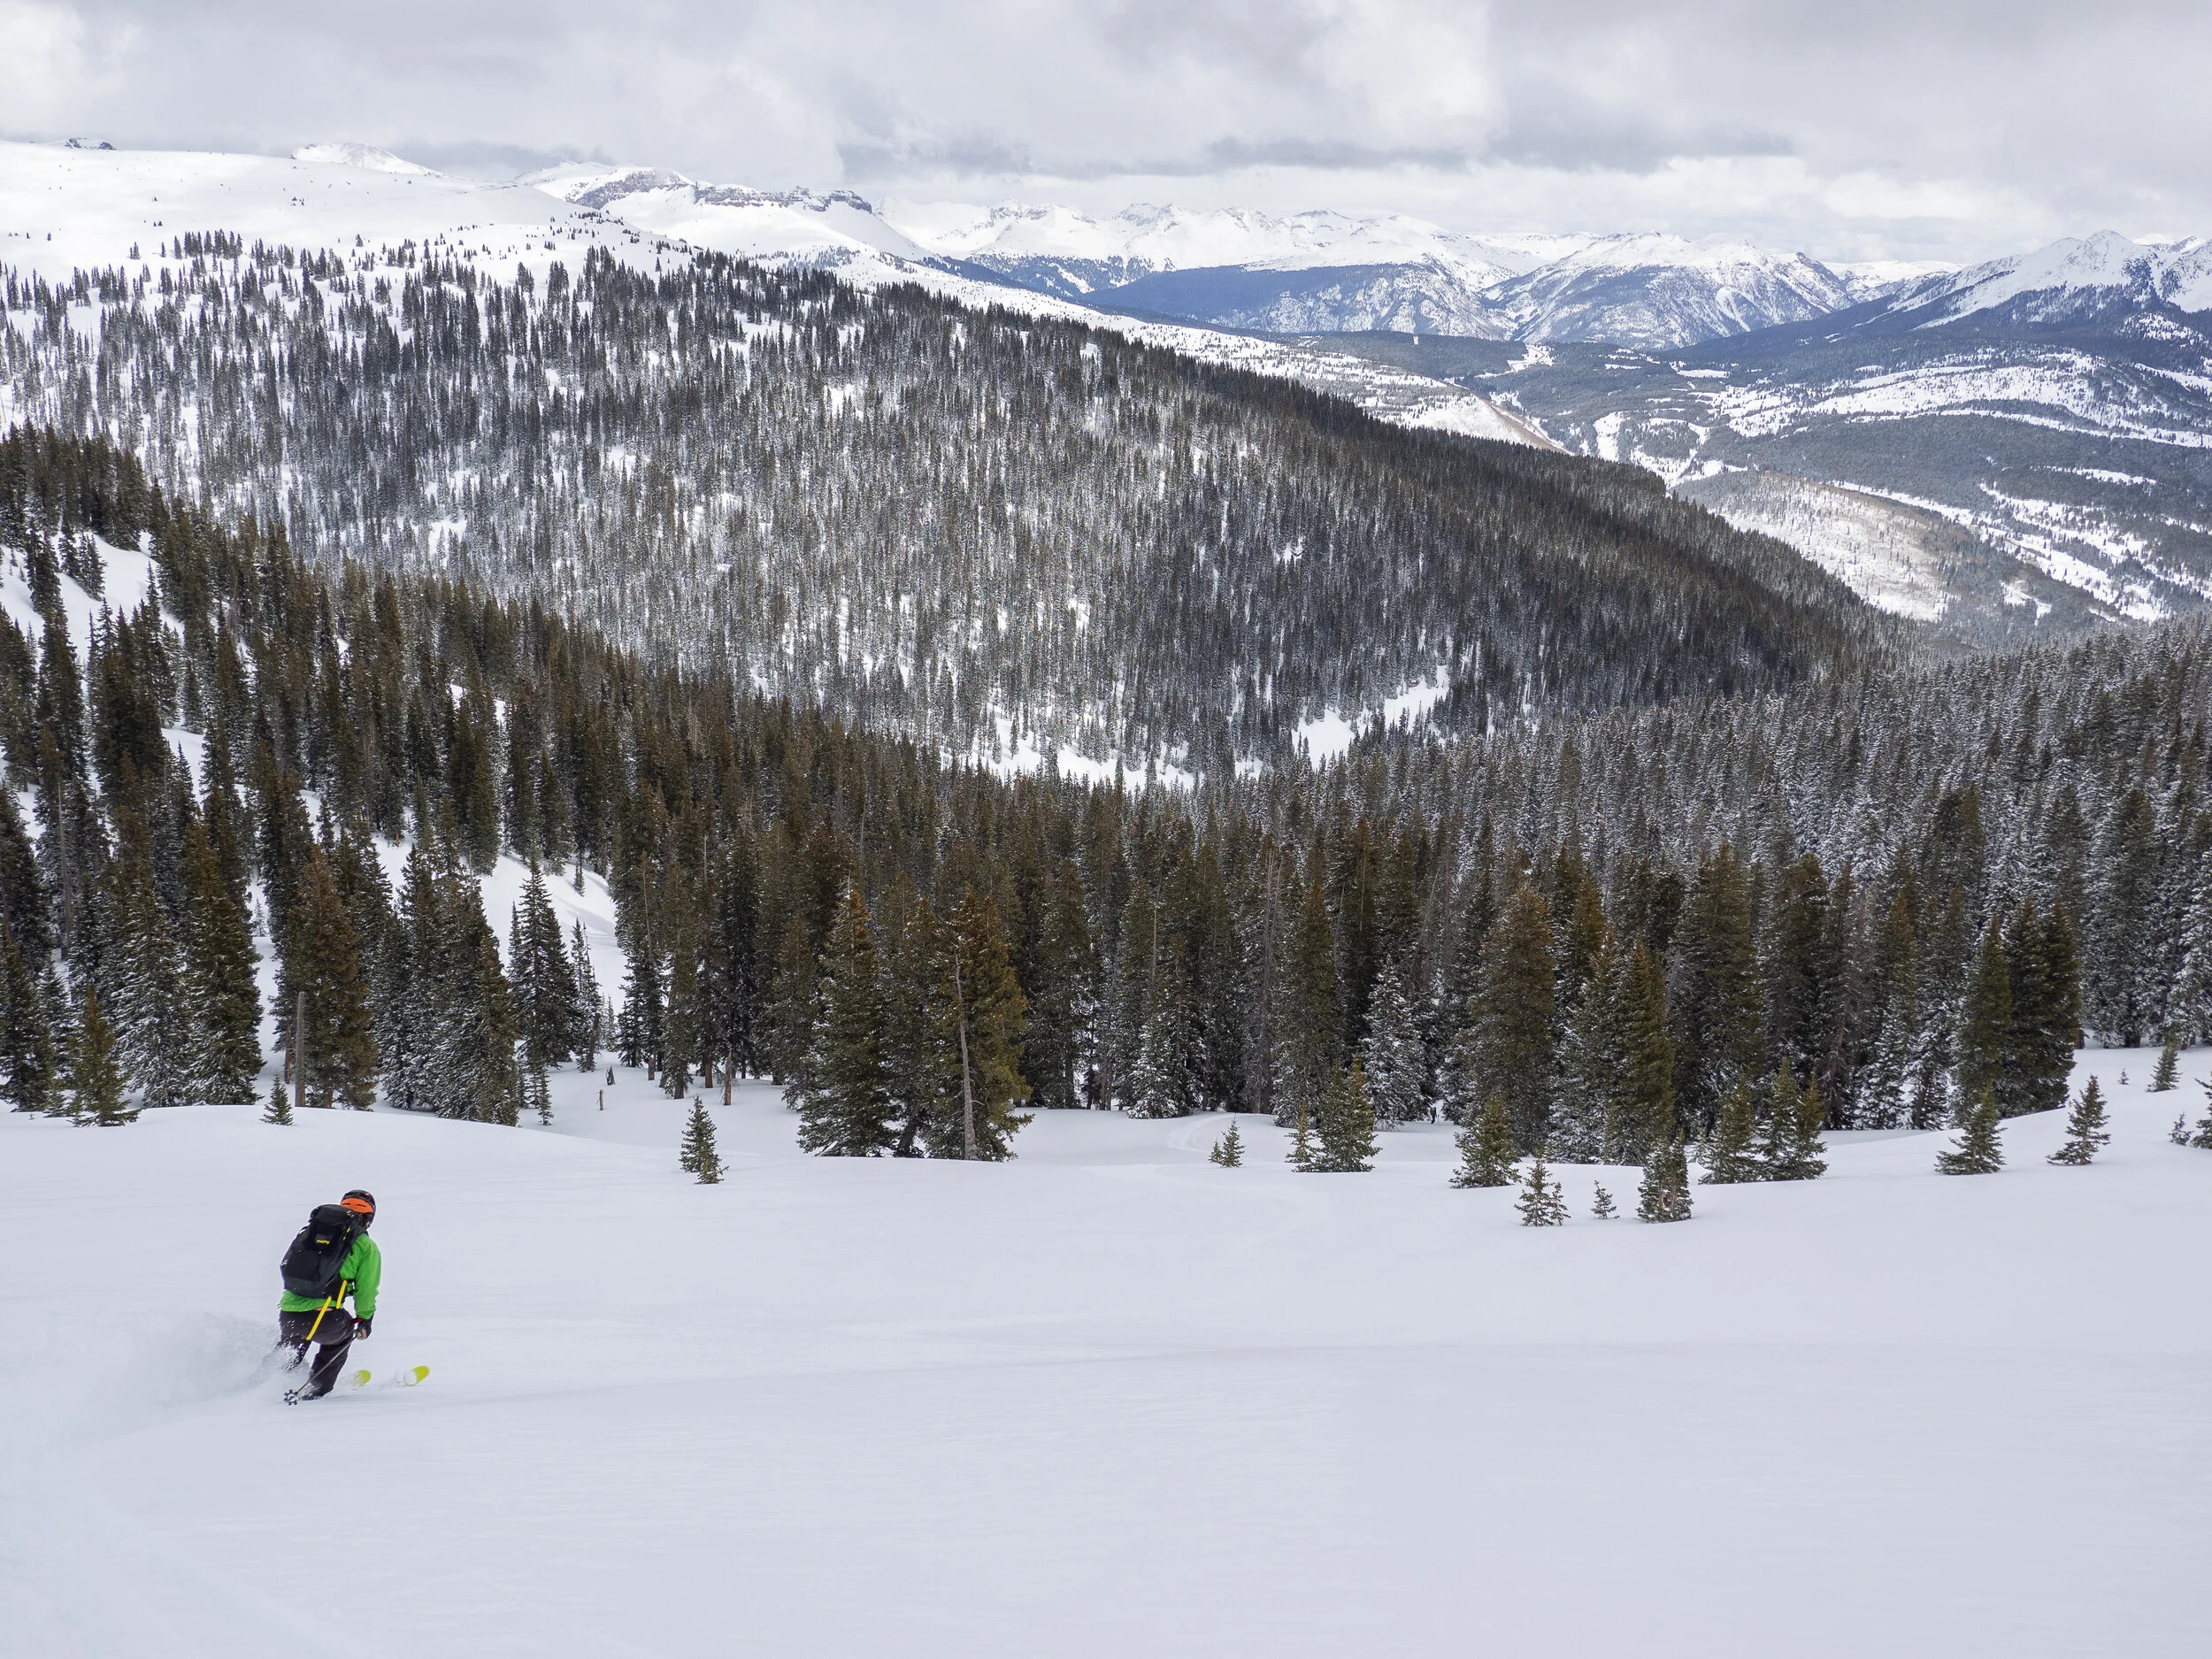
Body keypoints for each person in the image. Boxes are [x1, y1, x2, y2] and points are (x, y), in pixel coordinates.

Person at [278, 1190, 380, 1401]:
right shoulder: (365, 1246)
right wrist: (364, 1319)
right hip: (324, 1318)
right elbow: (366, 1290)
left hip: (288, 1314)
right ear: (369, 1218)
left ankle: (262, 1384)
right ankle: (315, 1389)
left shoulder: (310, 1234)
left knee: (290, 1350)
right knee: (341, 1339)